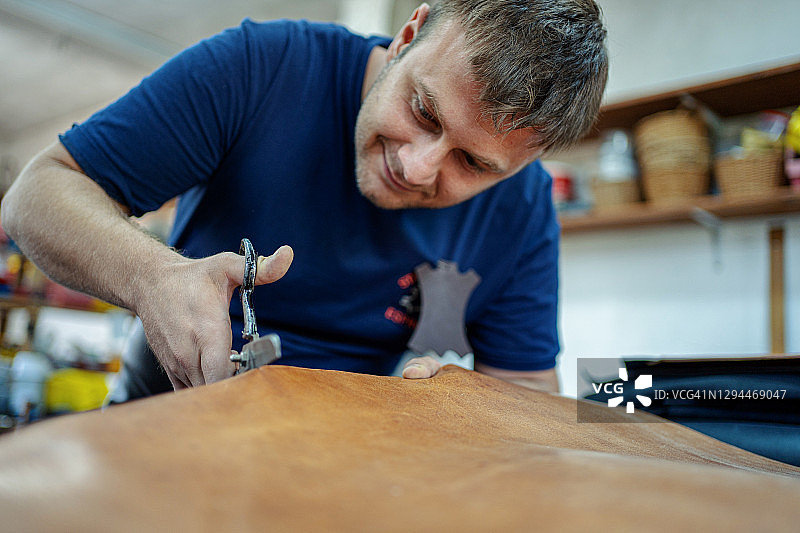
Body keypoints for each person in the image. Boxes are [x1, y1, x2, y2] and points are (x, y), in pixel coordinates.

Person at [1, 0, 607, 398]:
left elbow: (525, 384)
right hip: (161, 419)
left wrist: (460, 408)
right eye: (423, 110)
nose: (417, 165)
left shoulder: (523, 208)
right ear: (408, 36)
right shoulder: (261, 68)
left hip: (341, 460)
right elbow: (38, 193)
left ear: (523, 165)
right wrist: (153, 277)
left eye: (472, 163)